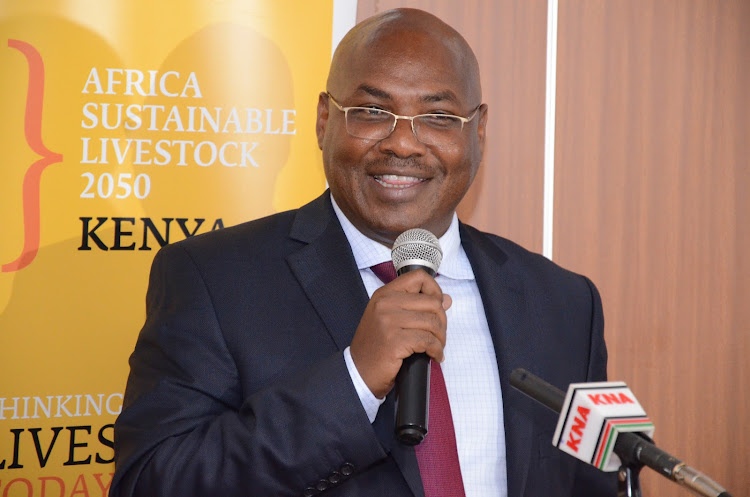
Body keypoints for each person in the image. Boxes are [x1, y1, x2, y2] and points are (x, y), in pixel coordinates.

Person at [111, 8, 616, 497]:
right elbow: (152, 481)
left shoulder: (566, 303)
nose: (402, 144)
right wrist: (354, 380)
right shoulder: (213, 281)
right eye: (373, 112)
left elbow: (595, 483)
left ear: (477, 132)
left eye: (438, 117)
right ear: (324, 119)